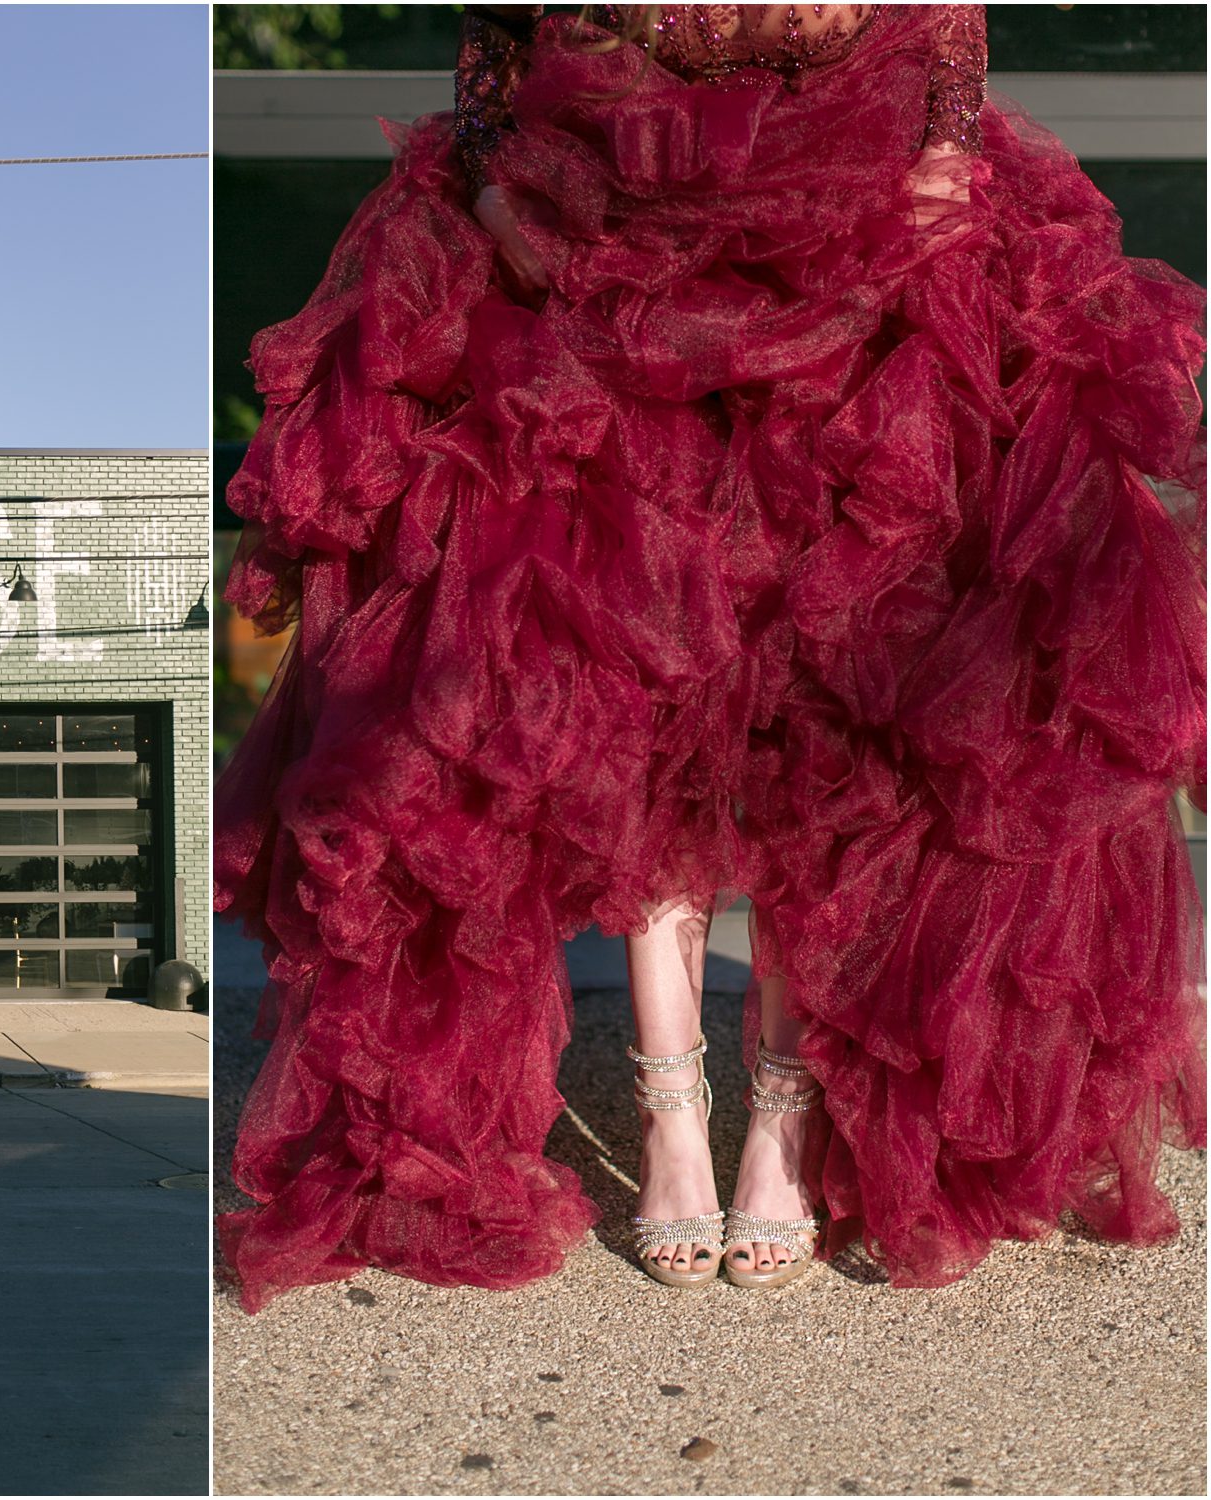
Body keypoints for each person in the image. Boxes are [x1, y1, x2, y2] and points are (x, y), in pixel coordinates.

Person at [214, 4, 1207, 1309]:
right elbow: (494, 71)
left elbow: (943, 55)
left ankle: (780, 1123)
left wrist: (925, 204)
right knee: (631, 693)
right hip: (609, 271)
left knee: (830, 710)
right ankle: (675, 1116)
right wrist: (527, 232)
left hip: (850, 274)